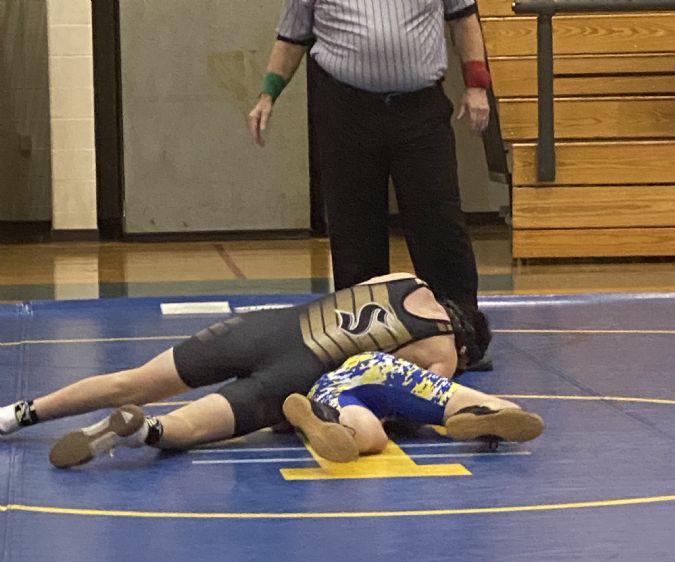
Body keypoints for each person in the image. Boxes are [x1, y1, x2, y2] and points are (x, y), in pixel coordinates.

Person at [0, 274, 491, 469]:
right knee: (190, 425)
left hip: (268, 327)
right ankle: (143, 429)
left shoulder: (406, 278)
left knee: (132, 381)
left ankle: (18, 413)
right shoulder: (445, 352)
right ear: (466, 346)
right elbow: (390, 392)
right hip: (300, 373)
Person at [248, 0, 491, 326]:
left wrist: (476, 85)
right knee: (354, 232)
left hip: (420, 109)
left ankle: (460, 329)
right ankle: (363, 333)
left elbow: (464, 19)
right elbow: (292, 36)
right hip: (346, 110)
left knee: (439, 224)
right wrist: (268, 94)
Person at [283, 351, 544, 463]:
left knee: (370, 435)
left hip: (346, 375)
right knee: (495, 404)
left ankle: (325, 417)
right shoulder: (447, 350)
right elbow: (438, 377)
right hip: (391, 371)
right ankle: (484, 410)